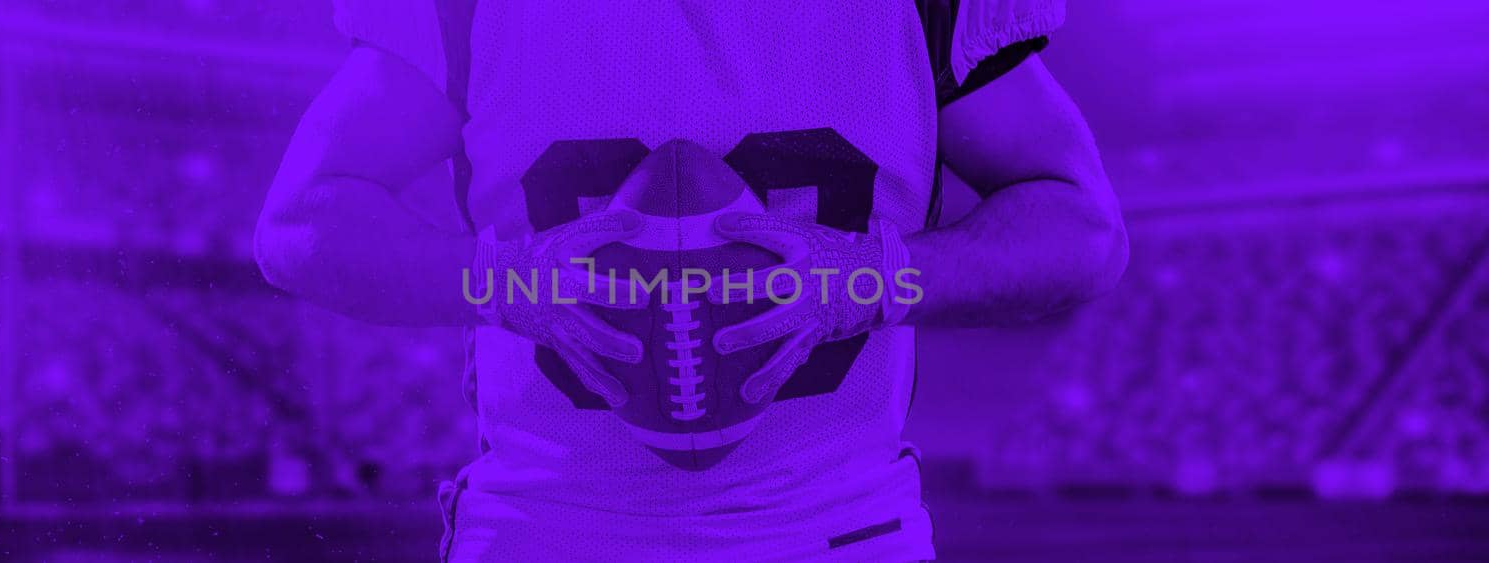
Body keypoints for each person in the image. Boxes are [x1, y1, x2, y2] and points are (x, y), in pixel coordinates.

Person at [255, 0, 1127, 559]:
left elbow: (1082, 225)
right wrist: (501, 281)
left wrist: (872, 278)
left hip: (833, 527)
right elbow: (301, 222)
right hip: (550, 526)